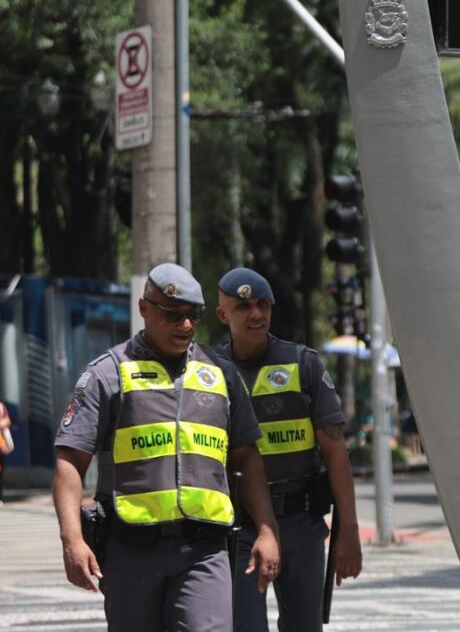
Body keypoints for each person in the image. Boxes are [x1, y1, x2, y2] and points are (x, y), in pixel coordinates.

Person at [52, 263, 281, 631]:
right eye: (173, 315)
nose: (186, 325)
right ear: (144, 309)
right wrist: (71, 539)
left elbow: (246, 456)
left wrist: (268, 530)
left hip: (205, 549)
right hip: (131, 549)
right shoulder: (108, 373)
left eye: (194, 316)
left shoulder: (220, 374)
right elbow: (70, 459)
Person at [213, 268, 363, 632]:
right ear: (222, 314)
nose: (256, 314)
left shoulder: (302, 364)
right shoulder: (209, 370)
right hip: (240, 528)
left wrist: (349, 531)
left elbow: (336, 452)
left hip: (301, 523)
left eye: (263, 304)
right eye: (244, 306)